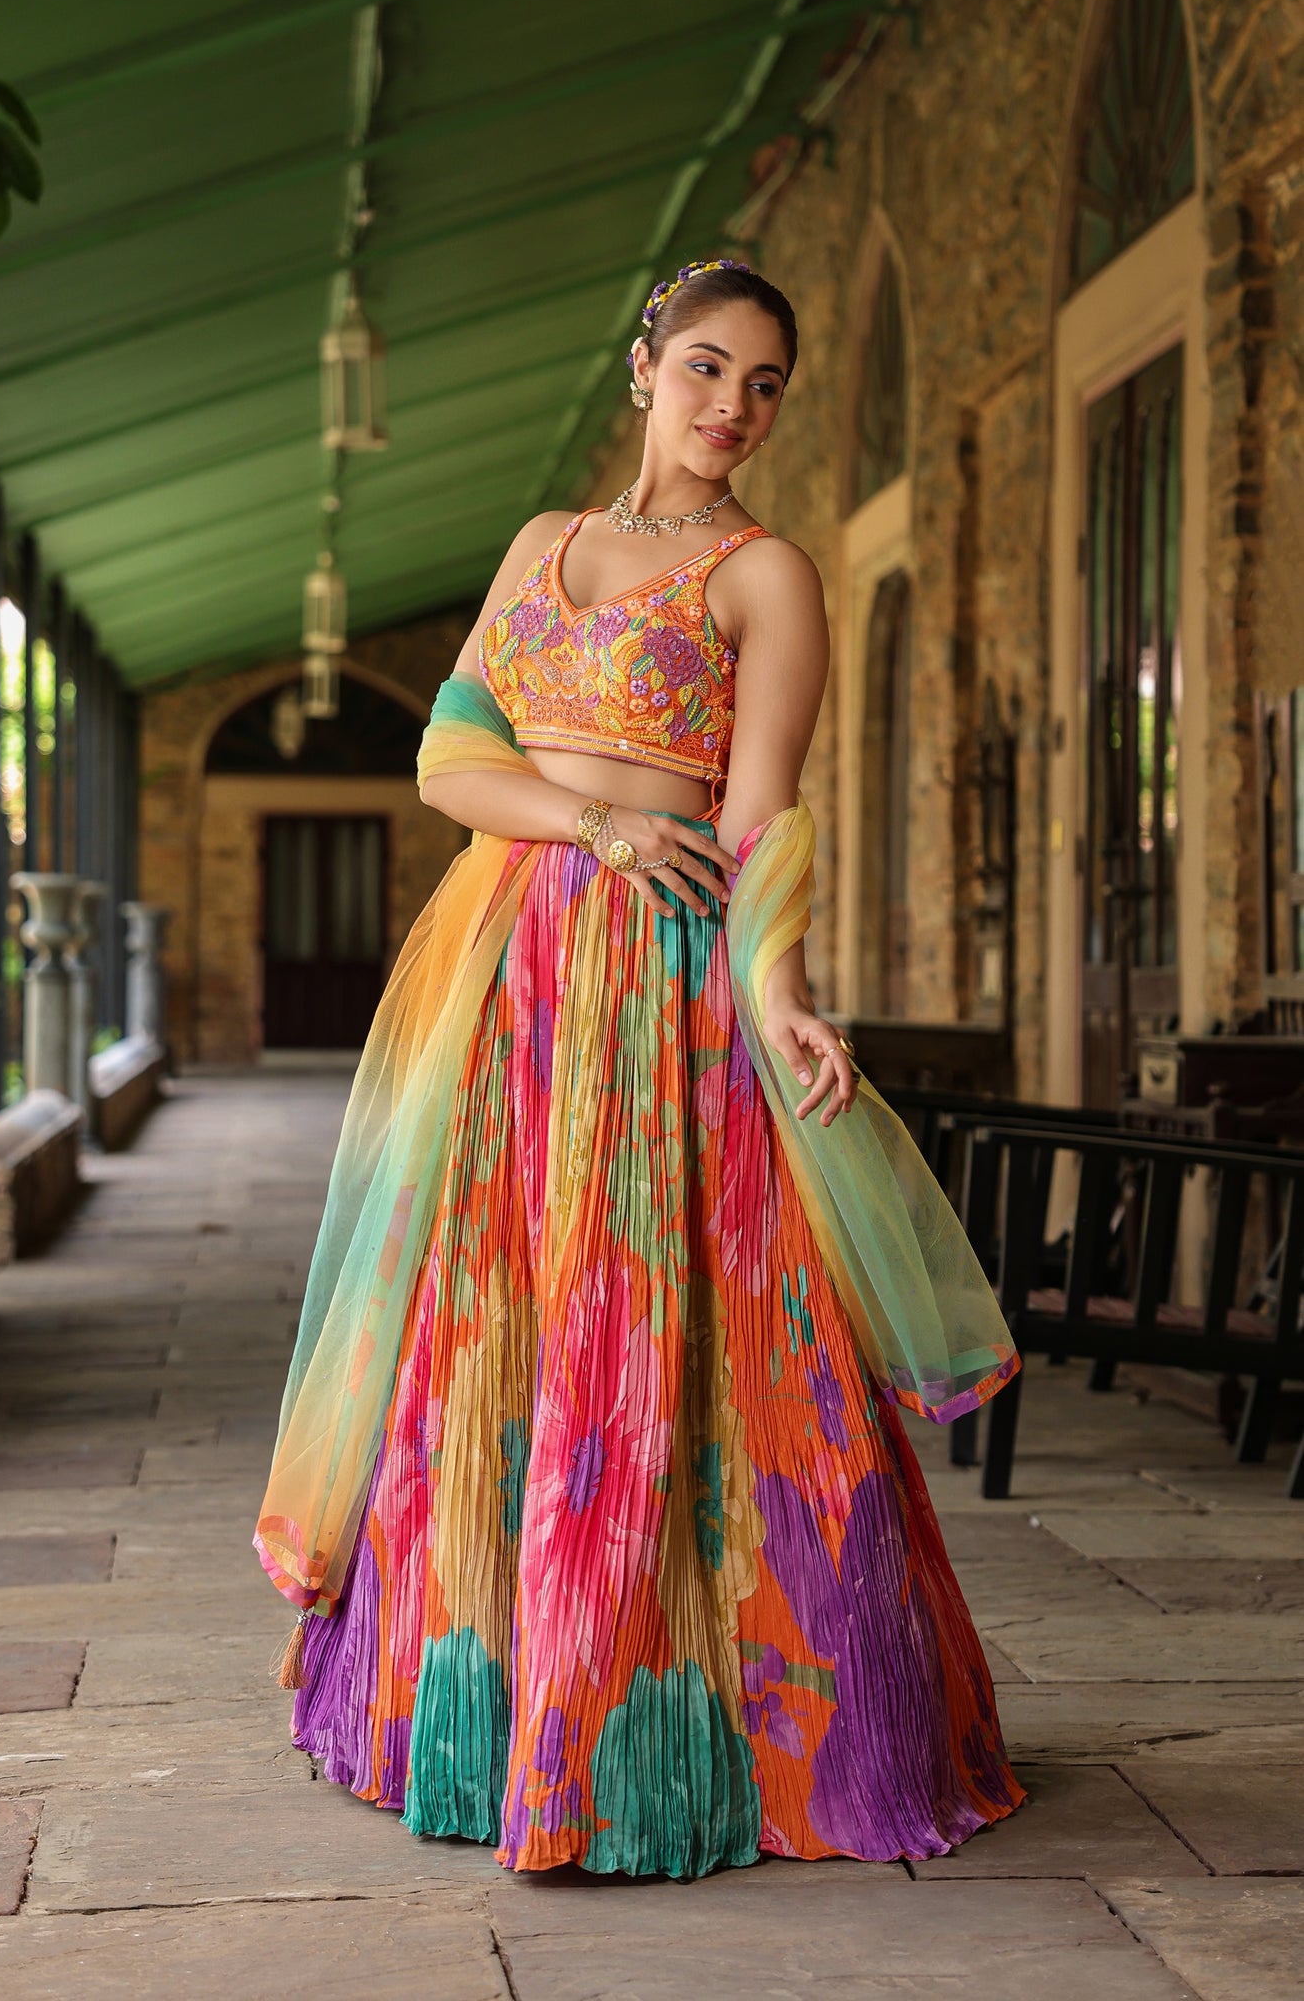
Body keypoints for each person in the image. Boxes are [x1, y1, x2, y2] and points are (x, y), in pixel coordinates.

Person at [255, 257, 1025, 1879]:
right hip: (512, 971)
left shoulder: (768, 578)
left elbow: (757, 828)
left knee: (677, 1326)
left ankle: (700, 1733)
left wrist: (786, 995)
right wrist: (596, 821)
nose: (731, 405)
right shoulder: (543, 547)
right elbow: (449, 758)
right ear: (641, 369)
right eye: (704, 367)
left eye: (762, 384)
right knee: (489, 1327)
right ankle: (477, 1715)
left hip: (669, 988)